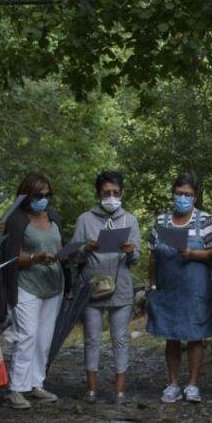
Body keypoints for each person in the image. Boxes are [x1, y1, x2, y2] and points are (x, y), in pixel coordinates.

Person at [0, 173, 65, 411]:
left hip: (53, 285)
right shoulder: (16, 219)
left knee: (44, 338)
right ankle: (15, 388)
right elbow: (9, 258)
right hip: (26, 285)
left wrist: (72, 253)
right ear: (27, 195)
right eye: (38, 195)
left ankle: (36, 383)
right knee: (27, 335)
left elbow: (59, 247)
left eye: (47, 195)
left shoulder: (53, 217)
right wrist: (36, 257)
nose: (43, 200)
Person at [72, 171, 142, 405]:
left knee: (120, 338)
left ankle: (119, 389)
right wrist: (86, 249)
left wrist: (131, 251)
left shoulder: (130, 220)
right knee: (92, 338)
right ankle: (91, 388)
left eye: (115, 192)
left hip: (121, 286)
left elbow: (136, 259)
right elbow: (76, 256)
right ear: (98, 193)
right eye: (106, 193)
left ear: (121, 193)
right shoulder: (85, 220)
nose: (111, 197)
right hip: (93, 286)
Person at [147, 174, 212, 403]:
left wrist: (194, 254)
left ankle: (193, 384)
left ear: (195, 196)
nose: (182, 198)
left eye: (187, 194)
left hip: (195, 288)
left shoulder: (206, 220)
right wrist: (153, 284)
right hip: (168, 288)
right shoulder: (161, 221)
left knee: (196, 336)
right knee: (172, 335)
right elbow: (152, 255)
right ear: (173, 193)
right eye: (179, 193)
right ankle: (173, 383)